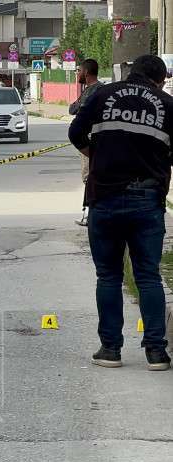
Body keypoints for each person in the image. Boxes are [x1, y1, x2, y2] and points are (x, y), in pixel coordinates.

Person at [68, 54, 173, 371]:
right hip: (147, 199)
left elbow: (75, 132)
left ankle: (110, 350)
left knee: (109, 275)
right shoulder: (166, 104)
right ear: (160, 81)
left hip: (105, 197)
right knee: (148, 276)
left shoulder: (102, 94)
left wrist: (96, 154)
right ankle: (156, 353)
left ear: (131, 73)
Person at [69, 59, 104, 227]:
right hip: (95, 138)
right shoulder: (94, 89)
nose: (77, 74)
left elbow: (75, 109)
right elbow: (72, 109)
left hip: (89, 139)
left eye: (79, 71)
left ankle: (92, 215)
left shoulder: (93, 91)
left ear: (86, 72)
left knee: (89, 177)